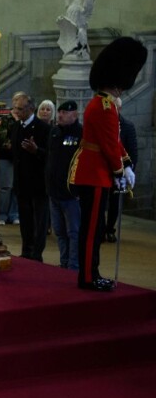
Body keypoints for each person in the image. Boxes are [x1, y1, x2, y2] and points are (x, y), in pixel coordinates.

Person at [70, 37, 145, 292]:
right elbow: (109, 145)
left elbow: (114, 142)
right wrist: (120, 170)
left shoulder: (105, 105)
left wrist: (127, 165)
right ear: (117, 83)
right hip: (95, 174)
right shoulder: (103, 106)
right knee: (92, 230)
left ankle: (92, 273)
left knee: (96, 228)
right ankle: (89, 277)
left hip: (96, 172)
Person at [7, 92, 49, 262]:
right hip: (21, 181)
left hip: (38, 182)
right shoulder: (16, 126)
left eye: (20, 108)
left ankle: (37, 254)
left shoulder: (44, 128)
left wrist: (36, 150)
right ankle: (26, 251)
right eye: (15, 108)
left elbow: (50, 155)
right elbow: (14, 153)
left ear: (31, 108)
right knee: (25, 219)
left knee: (39, 220)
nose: (16, 111)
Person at [46, 100, 82, 270]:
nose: (59, 115)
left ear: (74, 114)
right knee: (59, 231)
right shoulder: (55, 132)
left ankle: (74, 265)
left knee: (73, 232)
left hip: (71, 193)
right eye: (59, 112)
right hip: (54, 191)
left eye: (64, 113)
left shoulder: (81, 134)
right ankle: (64, 261)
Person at [104, 112, 139, 243]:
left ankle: (109, 229)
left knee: (115, 203)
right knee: (100, 202)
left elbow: (133, 152)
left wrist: (129, 171)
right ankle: (101, 229)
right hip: (103, 171)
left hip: (121, 172)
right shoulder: (102, 124)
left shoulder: (128, 126)